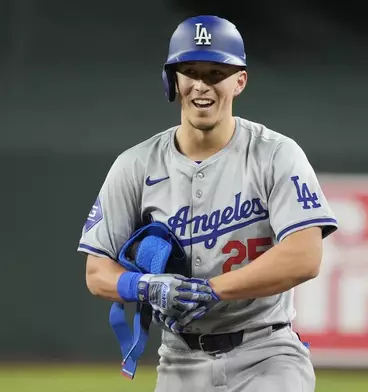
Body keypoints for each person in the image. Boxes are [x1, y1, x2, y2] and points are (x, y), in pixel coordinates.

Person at [78, 14, 338, 392]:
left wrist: (213, 289)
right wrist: (147, 286)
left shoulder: (275, 154)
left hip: (267, 352)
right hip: (180, 360)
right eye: (190, 71)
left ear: (239, 81)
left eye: (216, 72)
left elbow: (304, 256)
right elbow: (96, 272)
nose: (202, 85)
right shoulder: (135, 165)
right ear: (173, 79)